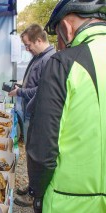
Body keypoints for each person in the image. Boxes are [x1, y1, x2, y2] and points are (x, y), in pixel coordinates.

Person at [26, 1, 106, 212]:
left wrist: (36, 190)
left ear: (67, 27)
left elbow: (43, 147)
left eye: (58, 36)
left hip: (70, 200)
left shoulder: (63, 63)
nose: (59, 44)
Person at [8, 24, 56, 207]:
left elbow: (42, 89)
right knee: (30, 153)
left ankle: (34, 194)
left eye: (28, 45)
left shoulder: (49, 59)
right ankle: (31, 187)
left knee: (35, 155)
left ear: (39, 40)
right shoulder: (39, 56)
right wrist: (22, 87)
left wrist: (21, 92)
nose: (27, 49)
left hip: (37, 115)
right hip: (31, 112)